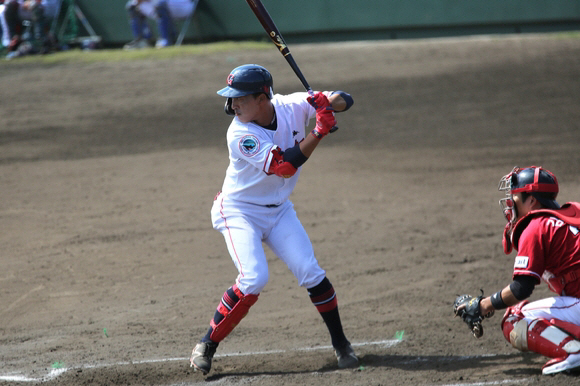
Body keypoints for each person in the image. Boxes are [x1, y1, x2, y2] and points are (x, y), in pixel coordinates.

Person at [189, 64, 358, 375]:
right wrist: (319, 130)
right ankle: (207, 344)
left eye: (240, 98)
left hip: (278, 209)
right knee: (254, 278)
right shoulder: (240, 133)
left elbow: (345, 98)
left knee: (310, 271)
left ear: (262, 97)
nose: (232, 104)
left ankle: (341, 344)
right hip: (240, 211)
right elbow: (283, 167)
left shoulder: (291, 105)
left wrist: (325, 102)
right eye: (232, 98)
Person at [477, 166, 580, 375]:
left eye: (515, 197)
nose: (510, 204)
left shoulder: (536, 225)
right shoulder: (571, 215)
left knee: (514, 318)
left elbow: (520, 288)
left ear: (532, 200)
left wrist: (483, 304)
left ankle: (574, 352)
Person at [124, 0, 197, 49]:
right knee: (132, 6)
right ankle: (143, 41)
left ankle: (166, 40)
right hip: (162, 6)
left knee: (159, 3)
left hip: (182, 6)